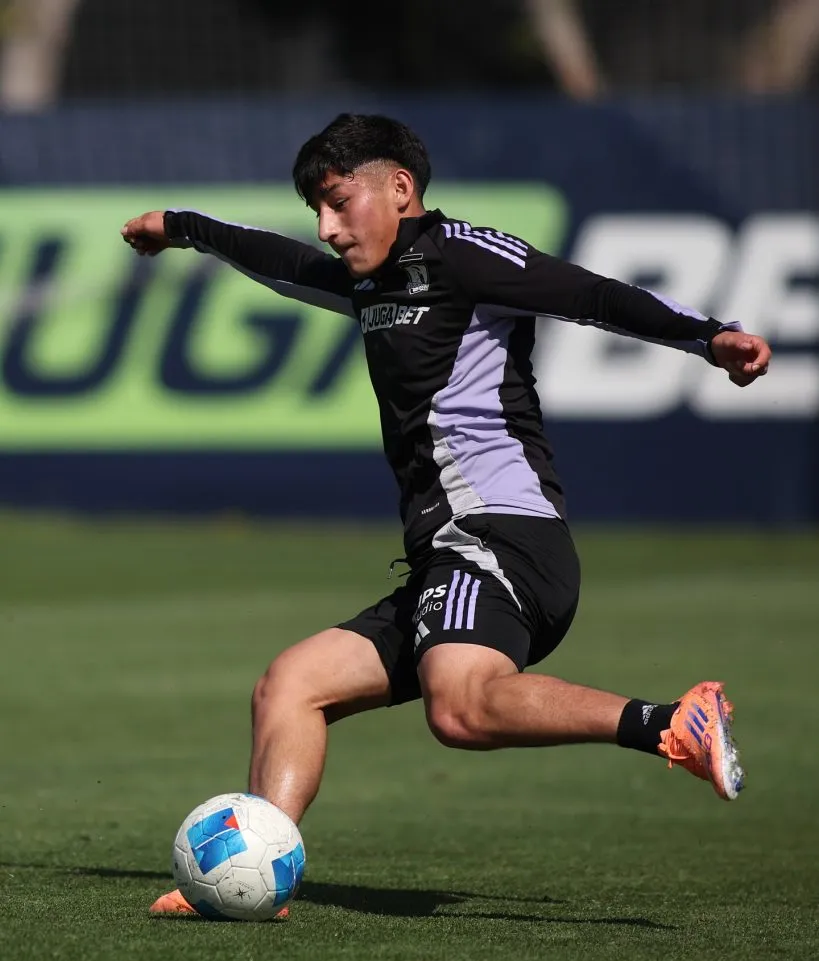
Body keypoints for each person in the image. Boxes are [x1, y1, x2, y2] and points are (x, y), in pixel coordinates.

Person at [122, 114, 771, 917]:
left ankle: (673, 722)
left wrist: (709, 338)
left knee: (459, 708)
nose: (326, 228)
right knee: (290, 685)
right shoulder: (368, 278)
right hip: (447, 553)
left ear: (399, 188)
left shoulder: (463, 253)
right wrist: (182, 229)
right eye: (316, 211)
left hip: (501, 533)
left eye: (337, 203)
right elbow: (281, 262)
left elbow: (587, 294)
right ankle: (264, 869)